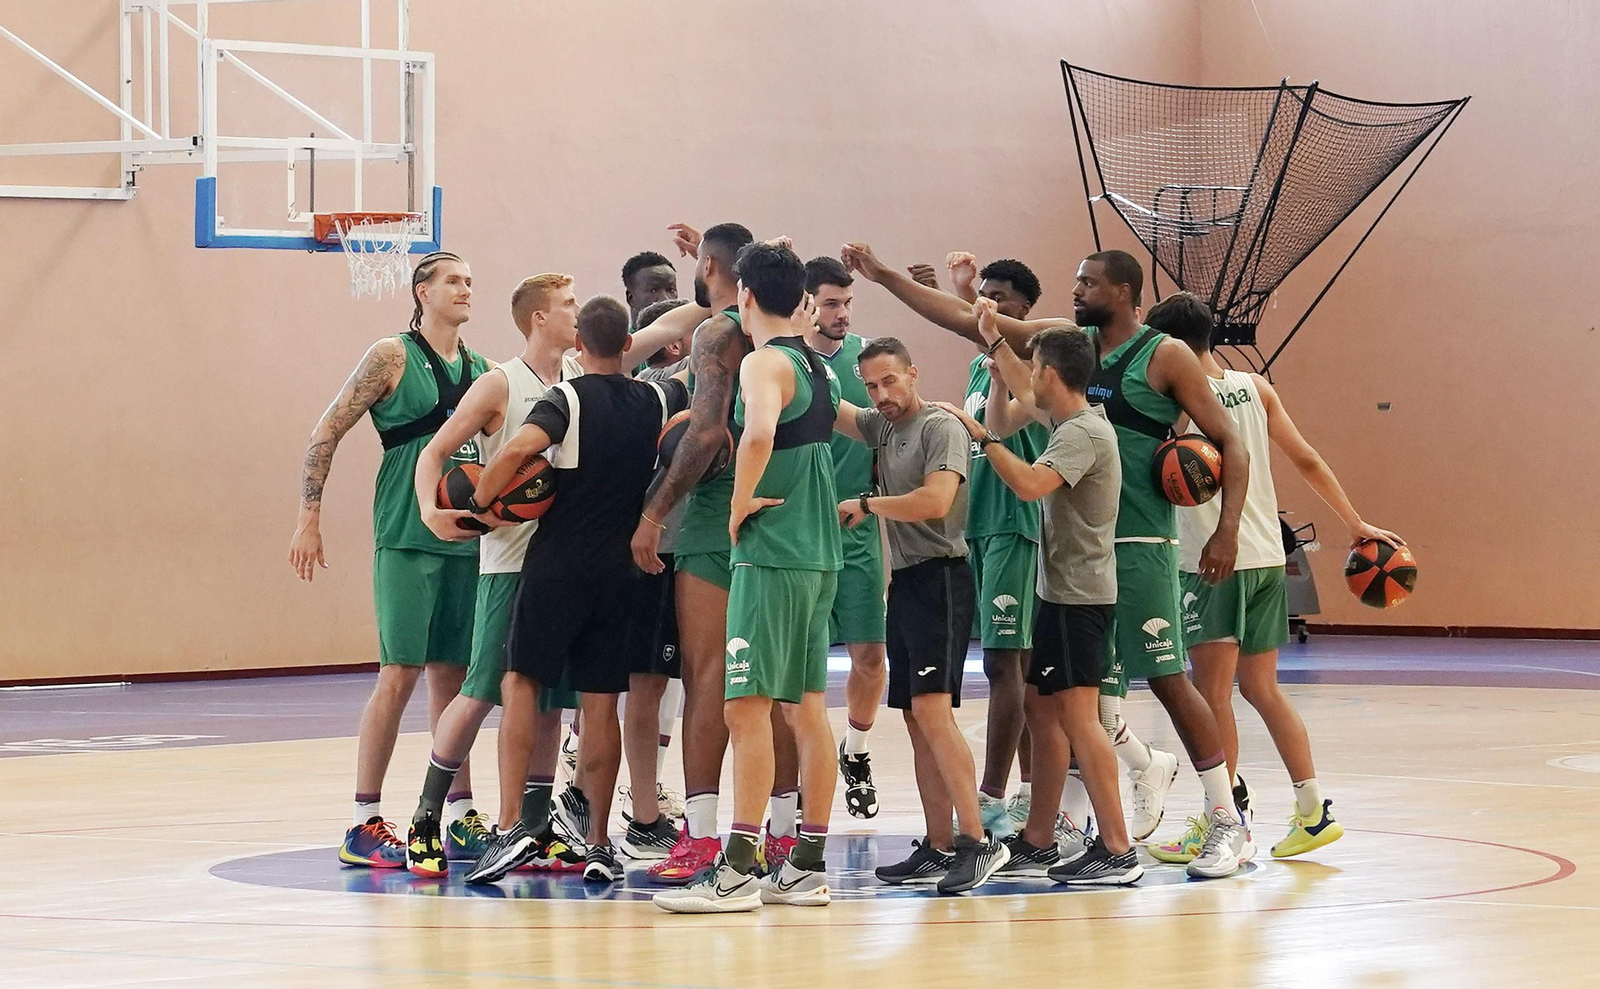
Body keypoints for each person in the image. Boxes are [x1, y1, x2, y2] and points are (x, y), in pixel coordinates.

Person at [842, 242, 1255, 879]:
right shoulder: (1067, 343)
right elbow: (969, 324)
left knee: (1169, 682)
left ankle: (1227, 819)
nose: (1077, 289)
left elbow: (1228, 442)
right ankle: (1048, 831)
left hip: (1139, 543)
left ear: (1122, 290)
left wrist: (1224, 531)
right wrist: (886, 276)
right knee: (1054, 695)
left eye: (1088, 281)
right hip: (1069, 554)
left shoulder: (1162, 354)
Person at [1149, 291, 1401, 859]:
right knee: (1262, 689)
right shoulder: (1257, 388)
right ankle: (1312, 811)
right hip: (1267, 558)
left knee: (1211, 695)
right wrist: (1357, 523)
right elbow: (1307, 459)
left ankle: (1222, 822)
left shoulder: (1177, 398)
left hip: (1213, 561)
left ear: (1168, 350)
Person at [465, 295, 691, 885]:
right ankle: (597, 842)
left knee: (520, 683)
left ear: (578, 347)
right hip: (623, 572)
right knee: (599, 705)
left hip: (558, 566)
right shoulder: (656, 397)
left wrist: (482, 501)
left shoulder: (564, 396)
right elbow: (693, 400)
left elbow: (518, 449)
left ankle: (512, 825)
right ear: (625, 348)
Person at [654, 243, 840, 913]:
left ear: (745, 297)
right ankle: (806, 865)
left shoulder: (764, 360)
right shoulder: (822, 367)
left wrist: (739, 501)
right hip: (820, 556)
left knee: (745, 706)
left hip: (772, 553)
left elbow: (756, 433)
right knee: (808, 711)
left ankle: (736, 869)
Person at [289, 251, 489, 868]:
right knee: (398, 673)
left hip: (463, 535)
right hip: (405, 532)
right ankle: (363, 820)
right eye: (454, 280)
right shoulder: (391, 355)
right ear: (422, 291)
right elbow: (327, 429)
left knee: (453, 677)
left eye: (470, 281)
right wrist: (309, 516)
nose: (466, 289)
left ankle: (456, 814)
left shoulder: (482, 368)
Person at [939, 315, 1143, 886]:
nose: (1027, 377)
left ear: (1050, 373)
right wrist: (996, 352)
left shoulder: (1082, 433)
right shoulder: (1066, 417)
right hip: (1058, 592)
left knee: (1080, 719)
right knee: (1042, 709)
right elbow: (1006, 409)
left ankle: (1118, 849)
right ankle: (1038, 838)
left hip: (1081, 598)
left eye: (1033, 369)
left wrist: (981, 439)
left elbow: (1028, 484)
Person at [630, 221, 801, 887]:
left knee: (708, 678)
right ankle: (784, 838)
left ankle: (702, 838)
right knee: (780, 687)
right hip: (788, 515)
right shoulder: (804, 342)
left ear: (707, 266)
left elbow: (703, 435)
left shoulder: (717, 337)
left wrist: (653, 511)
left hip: (719, 516)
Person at [398, 273, 586, 878]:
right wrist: (431, 510)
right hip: (508, 561)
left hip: (562, 565)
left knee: (551, 696)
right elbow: (433, 454)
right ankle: (428, 815)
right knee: (480, 690)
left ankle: (534, 826)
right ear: (538, 317)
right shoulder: (500, 383)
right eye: (567, 304)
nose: (576, 312)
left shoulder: (579, 380)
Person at [832, 336, 1011, 893]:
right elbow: (821, 397)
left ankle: (978, 843)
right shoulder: (882, 425)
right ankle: (937, 845)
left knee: (934, 712)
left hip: (943, 579)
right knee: (913, 716)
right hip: (906, 582)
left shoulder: (941, 427)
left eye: (890, 381)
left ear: (914, 371)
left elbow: (936, 501)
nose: (881, 394)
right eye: (871, 385)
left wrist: (866, 504)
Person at [922, 253, 1051, 835]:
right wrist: (959, 290)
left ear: (1024, 312)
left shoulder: (1033, 370)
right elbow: (969, 321)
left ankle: (994, 795)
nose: (985, 306)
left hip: (1016, 524)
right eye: (983, 297)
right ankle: (1024, 792)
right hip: (983, 525)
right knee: (1012, 667)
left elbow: (999, 430)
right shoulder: (984, 365)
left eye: (999, 298)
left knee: (1005, 663)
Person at [801, 256, 888, 821]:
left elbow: (892, 421)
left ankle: (855, 752)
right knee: (799, 669)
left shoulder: (867, 358)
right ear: (805, 302)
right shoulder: (783, 359)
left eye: (847, 303)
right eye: (830, 303)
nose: (841, 313)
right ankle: (798, 782)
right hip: (798, 527)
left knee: (871, 656)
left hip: (858, 525)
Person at [622, 250, 680, 325]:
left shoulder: (693, 335)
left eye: (671, 290)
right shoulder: (619, 337)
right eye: (653, 290)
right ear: (631, 298)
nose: (665, 299)